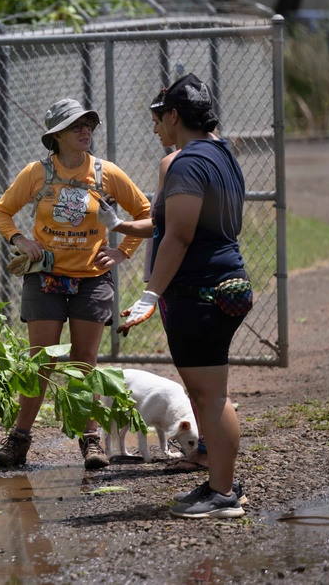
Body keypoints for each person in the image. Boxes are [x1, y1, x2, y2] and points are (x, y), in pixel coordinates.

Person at [0, 98, 150, 470]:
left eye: (88, 124)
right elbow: (1, 210)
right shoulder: (37, 173)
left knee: (84, 363)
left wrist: (124, 250)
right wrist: (20, 241)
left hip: (92, 280)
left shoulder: (107, 173)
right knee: (39, 362)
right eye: (76, 125)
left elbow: (144, 212)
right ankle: (19, 440)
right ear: (56, 136)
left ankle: (91, 441)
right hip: (45, 278)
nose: (85, 130)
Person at [117, 73, 251, 519]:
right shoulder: (223, 154)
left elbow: (178, 234)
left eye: (161, 119)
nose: (157, 128)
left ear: (175, 115)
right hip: (222, 284)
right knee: (205, 393)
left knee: (211, 397)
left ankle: (224, 494)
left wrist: (151, 292)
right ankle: (217, 485)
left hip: (202, 292)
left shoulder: (188, 162)